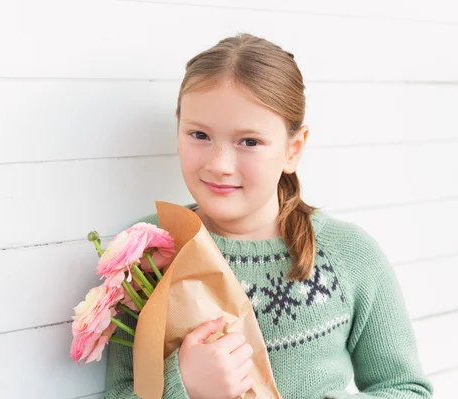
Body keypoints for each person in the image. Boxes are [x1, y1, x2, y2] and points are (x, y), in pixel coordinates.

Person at [103, 33, 434, 399]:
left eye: (249, 141)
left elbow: (406, 389)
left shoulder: (350, 255)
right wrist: (187, 386)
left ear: (293, 150)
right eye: (199, 134)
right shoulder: (151, 252)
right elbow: (120, 392)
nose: (219, 165)